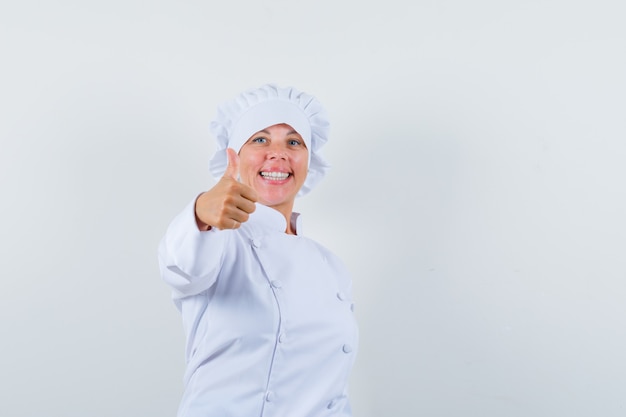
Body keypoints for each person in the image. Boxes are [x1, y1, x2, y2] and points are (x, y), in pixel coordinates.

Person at [158, 84, 359, 417]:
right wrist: (201, 213)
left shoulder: (331, 266)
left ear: (310, 161)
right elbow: (181, 270)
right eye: (260, 139)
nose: (278, 154)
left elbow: (333, 390)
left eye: (294, 142)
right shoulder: (216, 237)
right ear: (233, 156)